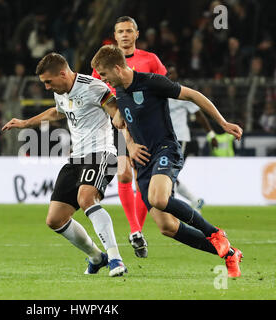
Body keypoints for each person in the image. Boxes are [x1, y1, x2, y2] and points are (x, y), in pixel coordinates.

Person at [91, 45, 243, 277]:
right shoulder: (119, 90)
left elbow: (193, 95)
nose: (103, 80)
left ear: (118, 69)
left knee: (158, 198)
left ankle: (214, 232)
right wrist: (130, 145)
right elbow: (123, 124)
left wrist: (221, 124)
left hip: (166, 149)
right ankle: (230, 254)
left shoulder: (152, 82)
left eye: (104, 75)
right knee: (167, 227)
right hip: (142, 162)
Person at [2, 53, 127, 277]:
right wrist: (25, 123)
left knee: (86, 198)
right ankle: (97, 257)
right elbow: (57, 112)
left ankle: (116, 259)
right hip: (76, 159)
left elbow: (115, 111)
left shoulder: (93, 87)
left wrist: (125, 135)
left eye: (48, 82)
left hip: (101, 154)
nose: (47, 87)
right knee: (55, 219)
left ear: (63, 73)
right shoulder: (62, 92)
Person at [92, 16, 167, 258]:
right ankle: (135, 230)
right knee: (124, 172)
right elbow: (97, 93)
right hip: (117, 124)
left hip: (145, 126)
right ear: (115, 36)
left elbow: (164, 86)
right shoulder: (102, 63)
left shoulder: (150, 60)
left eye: (128, 31)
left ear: (136, 34)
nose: (124, 35)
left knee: (141, 179)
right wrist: (113, 111)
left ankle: (136, 231)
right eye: (120, 31)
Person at [167, 64, 219, 211]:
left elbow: (199, 115)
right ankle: (194, 200)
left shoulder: (182, 93)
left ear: (177, 75)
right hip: (164, 138)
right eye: (168, 73)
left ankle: (174, 207)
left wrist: (211, 134)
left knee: (170, 173)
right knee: (165, 173)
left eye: (173, 73)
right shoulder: (160, 93)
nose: (170, 75)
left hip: (180, 138)